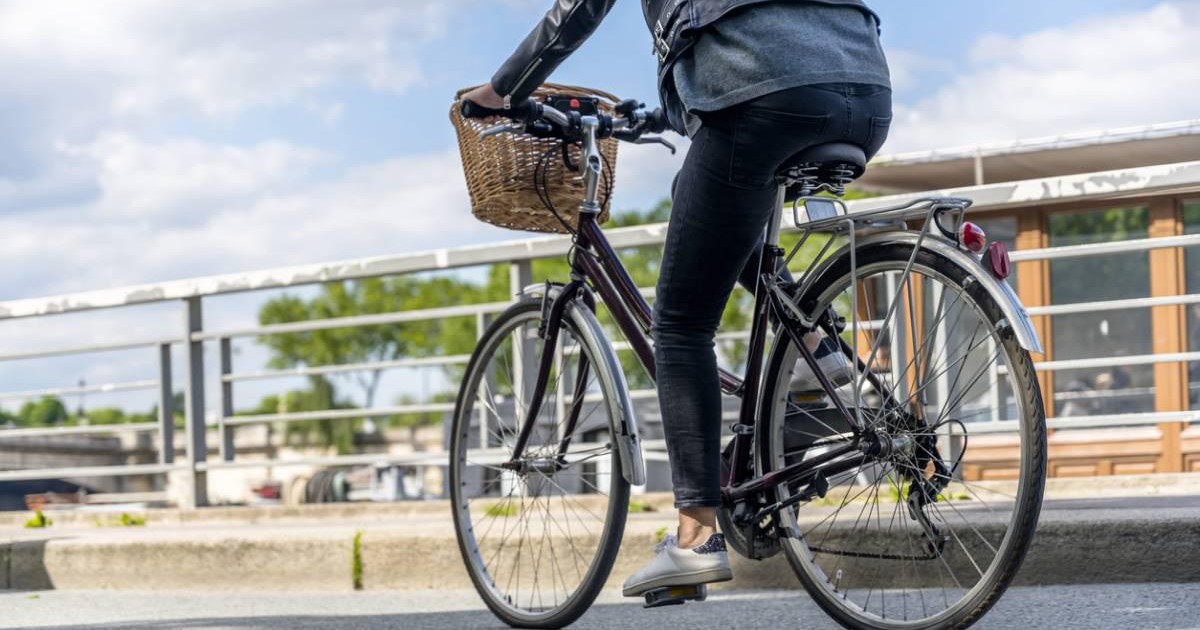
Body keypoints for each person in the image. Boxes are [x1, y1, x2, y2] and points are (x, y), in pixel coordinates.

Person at [463, 0, 891, 597]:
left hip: (761, 91)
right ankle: (818, 352)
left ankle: (695, 540)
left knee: (683, 324)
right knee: (717, 215)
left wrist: (504, 89)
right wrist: (666, 112)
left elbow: (577, 11)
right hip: (865, 91)